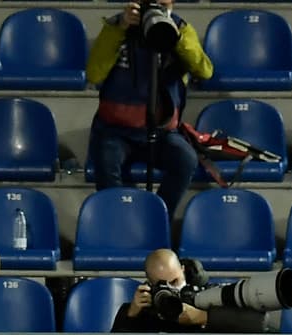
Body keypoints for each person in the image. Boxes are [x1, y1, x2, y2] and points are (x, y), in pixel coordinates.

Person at [86, 0, 213, 217]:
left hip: (162, 131)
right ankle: (118, 223)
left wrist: (176, 37)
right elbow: (94, 74)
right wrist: (120, 29)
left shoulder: (181, 28)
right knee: (107, 164)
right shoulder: (117, 27)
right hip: (116, 131)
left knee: (186, 159)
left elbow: (205, 71)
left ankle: (156, 219)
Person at [109, 249, 269, 333]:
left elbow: (259, 323)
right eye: (162, 284)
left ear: (183, 270)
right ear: (150, 284)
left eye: (175, 281)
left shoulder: (207, 294)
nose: (171, 289)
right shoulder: (143, 309)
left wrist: (204, 317)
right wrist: (130, 315)